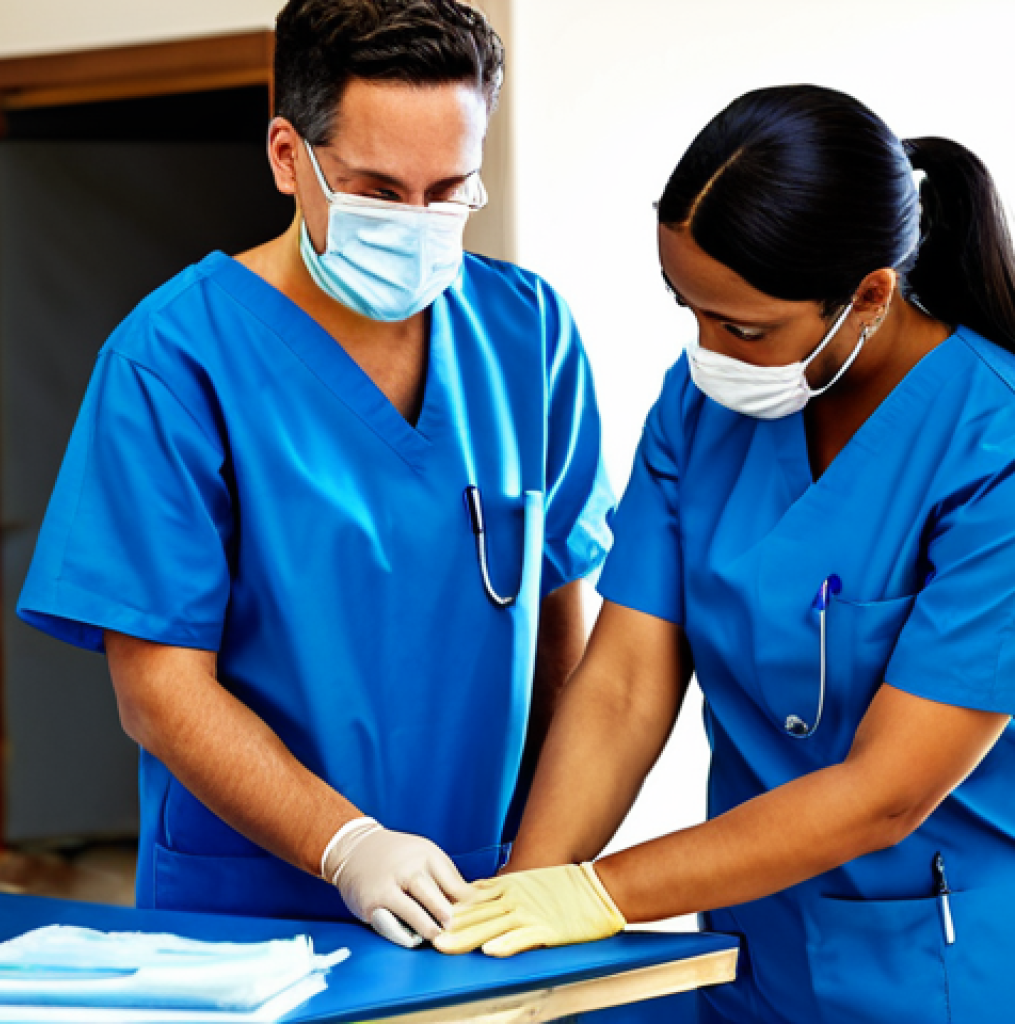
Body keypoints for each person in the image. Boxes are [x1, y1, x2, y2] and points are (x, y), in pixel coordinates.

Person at [17, 0, 612, 950]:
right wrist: (346, 844)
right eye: (378, 190)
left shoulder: (529, 335)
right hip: (251, 917)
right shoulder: (174, 359)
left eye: (450, 190)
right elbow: (159, 688)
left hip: (484, 898)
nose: (419, 225)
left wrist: (544, 866)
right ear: (289, 156)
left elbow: (562, 632)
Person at [434, 84, 1015, 1023]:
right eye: (687, 307)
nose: (708, 351)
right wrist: (518, 914)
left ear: (869, 294)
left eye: (743, 327)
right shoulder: (706, 406)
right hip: (750, 950)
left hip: (942, 967)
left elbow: (886, 791)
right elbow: (624, 682)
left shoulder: (995, 449)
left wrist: (599, 895)